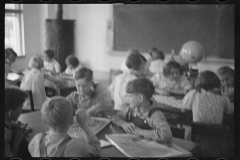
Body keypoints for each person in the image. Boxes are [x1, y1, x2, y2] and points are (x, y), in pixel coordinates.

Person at [28, 97, 100, 157]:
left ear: (44, 121)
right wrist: (84, 125)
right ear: (71, 120)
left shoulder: (37, 139)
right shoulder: (76, 145)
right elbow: (96, 148)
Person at [112, 78, 172, 144]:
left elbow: (166, 135)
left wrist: (139, 131)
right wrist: (123, 124)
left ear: (140, 98)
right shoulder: (132, 109)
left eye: (130, 96)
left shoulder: (156, 115)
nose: (128, 99)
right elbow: (115, 117)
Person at [5, 87, 31, 157]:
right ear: (10, 112)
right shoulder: (5, 134)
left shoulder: (7, 121)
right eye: (20, 107)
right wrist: (17, 140)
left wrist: (14, 125)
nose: (21, 110)